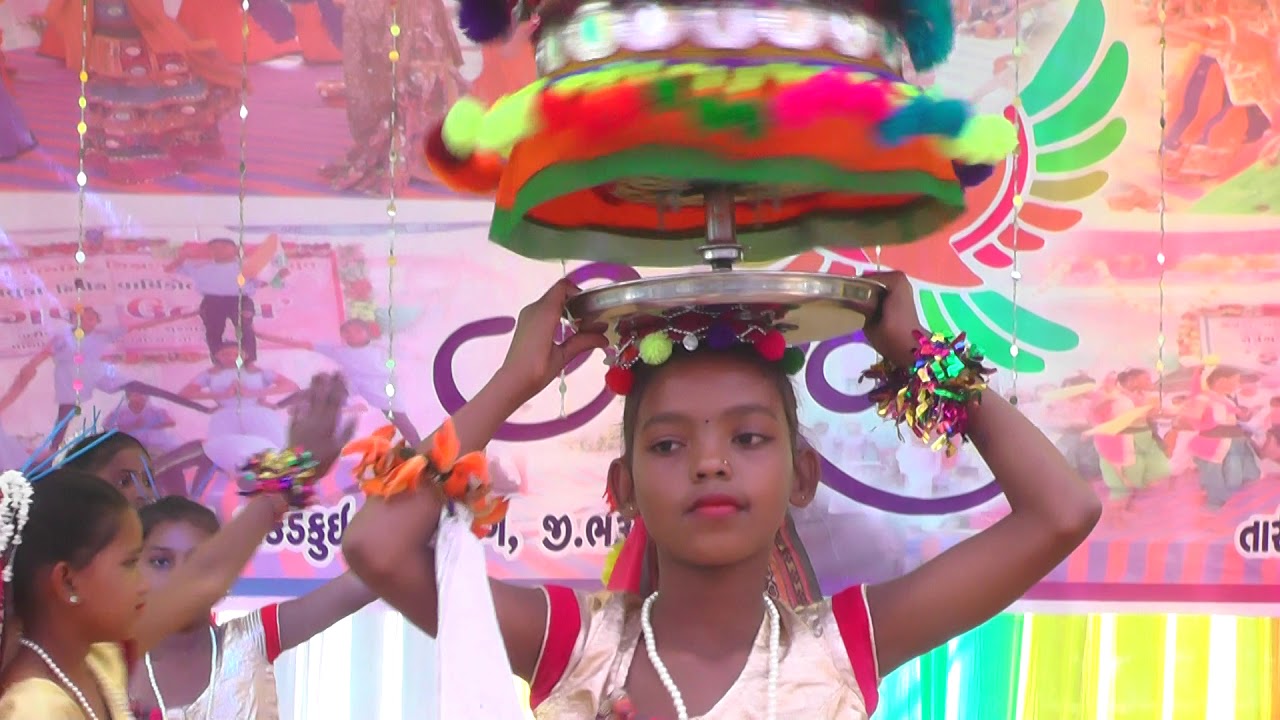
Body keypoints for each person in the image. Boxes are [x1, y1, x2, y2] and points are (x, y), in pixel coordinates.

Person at [343, 276, 1101, 718]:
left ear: (802, 475)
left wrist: (916, 353)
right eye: (668, 444)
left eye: (748, 438)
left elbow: (1063, 511)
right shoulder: (575, 644)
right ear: (625, 489)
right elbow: (376, 548)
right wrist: (515, 378)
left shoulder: (841, 648)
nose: (709, 463)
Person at [0, 373, 353, 718]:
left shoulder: (97, 659)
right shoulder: (34, 706)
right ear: (68, 582)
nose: (142, 583)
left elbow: (206, 575)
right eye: (129, 564)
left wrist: (295, 467)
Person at [129, 496, 375, 719]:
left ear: (225, 574)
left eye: (199, 564)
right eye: (161, 562)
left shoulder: (252, 638)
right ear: (133, 572)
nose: (181, 577)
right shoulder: (109, 661)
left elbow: (366, 579)